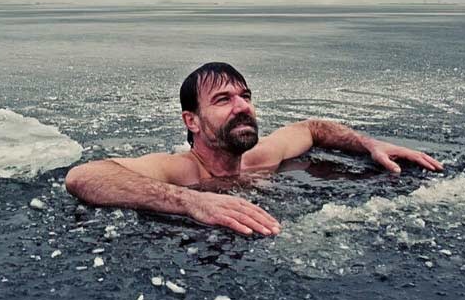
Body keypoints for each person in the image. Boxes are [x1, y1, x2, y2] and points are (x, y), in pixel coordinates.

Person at [63, 61, 444, 236]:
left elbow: (311, 128)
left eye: (245, 96)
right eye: (223, 99)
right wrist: (191, 201)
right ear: (191, 121)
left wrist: (369, 144)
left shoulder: (261, 158)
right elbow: (84, 176)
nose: (243, 106)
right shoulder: (180, 171)